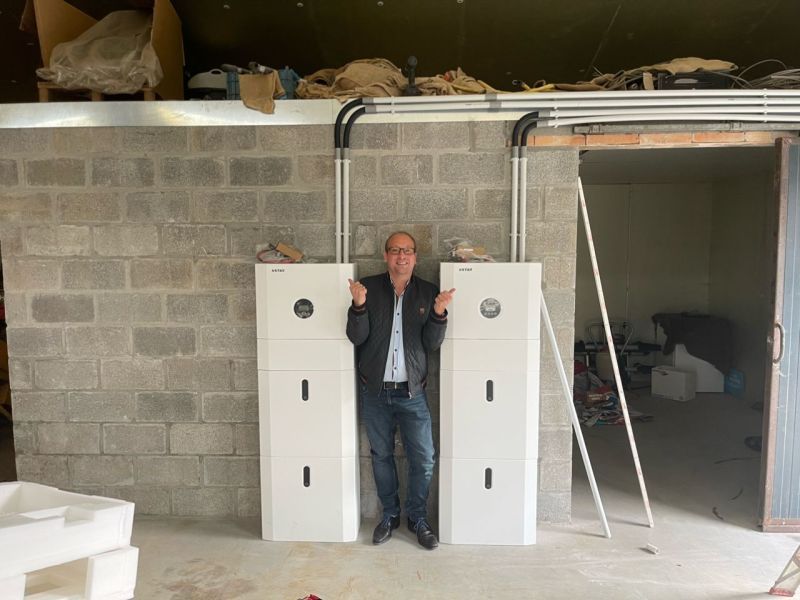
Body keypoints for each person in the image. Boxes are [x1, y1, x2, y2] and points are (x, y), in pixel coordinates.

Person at [346, 231, 455, 550]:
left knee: (424, 458)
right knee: (381, 455)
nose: (401, 256)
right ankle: (390, 515)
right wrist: (358, 306)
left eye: (407, 250)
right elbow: (356, 337)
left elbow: (431, 344)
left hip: (412, 393)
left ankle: (417, 518)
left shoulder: (428, 292)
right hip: (375, 392)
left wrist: (438, 314)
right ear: (386, 256)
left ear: (415, 257)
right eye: (395, 250)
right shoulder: (368, 288)